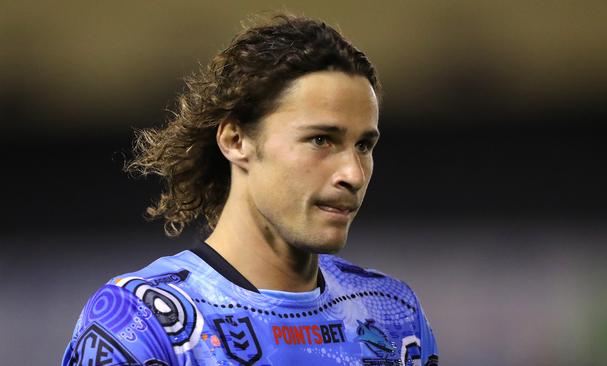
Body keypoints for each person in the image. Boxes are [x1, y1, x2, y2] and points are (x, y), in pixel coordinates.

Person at [61, 14, 438, 366]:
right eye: (321, 140)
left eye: (364, 146)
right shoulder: (141, 322)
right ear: (236, 140)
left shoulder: (394, 316)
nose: (353, 174)